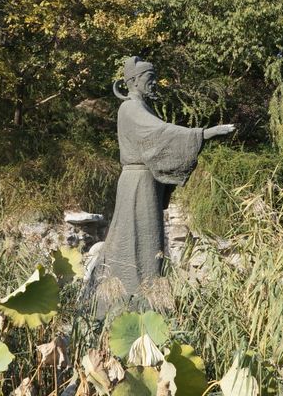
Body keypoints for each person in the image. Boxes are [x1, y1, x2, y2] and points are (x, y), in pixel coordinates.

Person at [97, 56, 235, 301]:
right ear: (134, 81)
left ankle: (145, 293)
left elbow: (160, 135)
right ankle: (127, 295)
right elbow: (161, 133)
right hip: (137, 182)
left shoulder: (142, 108)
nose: (154, 84)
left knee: (148, 237)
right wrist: (204, 133)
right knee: (134, 235)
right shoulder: (130, 108)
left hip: (146, 181)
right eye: (149, 79)